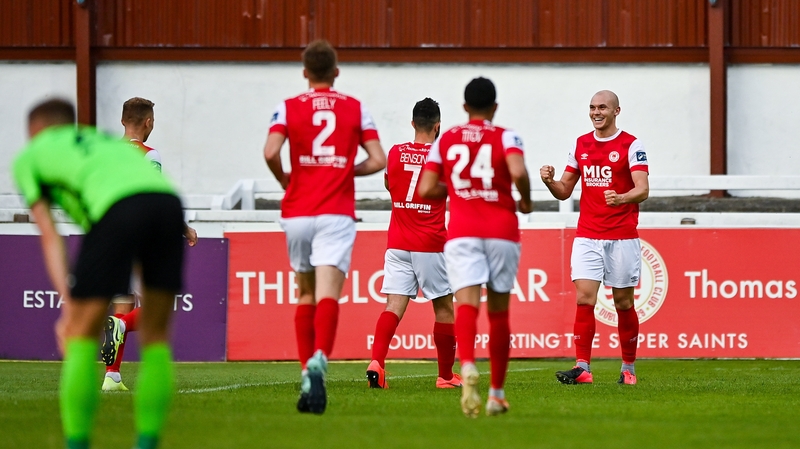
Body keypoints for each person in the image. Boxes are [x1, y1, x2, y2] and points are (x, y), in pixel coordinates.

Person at [12, 98, 184, 449]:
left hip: (116, 210)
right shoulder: (103, 142)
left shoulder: (29, 158)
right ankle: (147, 441)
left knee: (79, 333)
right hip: (167, 205)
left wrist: (69, 305)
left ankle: (77, 442)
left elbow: (50, 234)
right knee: (156, 335)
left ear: (34, 131)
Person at [263, 39, 386, 414]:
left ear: (304, 73)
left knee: (305, 292)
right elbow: (378, 159)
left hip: (298, 210)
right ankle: (320, 358)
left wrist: (286, 179)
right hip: (335, 211)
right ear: (336, 72)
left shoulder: (286, 108)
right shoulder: (355, 108)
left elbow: (270, 151)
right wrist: (347, 168)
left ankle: (305, 371)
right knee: (329, 293)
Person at [418, 77, 533, 417]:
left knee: (465, 303)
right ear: (494, 108)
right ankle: (497, 394)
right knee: (499, 311)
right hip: (501, 229)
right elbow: (517, 170)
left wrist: (456, 189)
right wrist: (524, 199)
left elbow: (426, 188)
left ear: (465, 107)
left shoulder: (448, 138)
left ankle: (466, 363)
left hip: (463, 231)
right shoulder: (507, 136)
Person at [539, 90, 649, 386]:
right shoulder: (581, 145)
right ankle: (583, 367)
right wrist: (549, 182)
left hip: (622, 236)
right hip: (588, 234)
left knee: (623, 303)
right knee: (585, 297)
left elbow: (643, 189)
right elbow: (564, 190)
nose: (596, 112)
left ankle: (628, 368)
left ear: (616, 111)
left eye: (602, 107)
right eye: (592, 107)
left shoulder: (631, 144)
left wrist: (622, 198)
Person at [100, 97, 198, 392]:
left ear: (121, 121)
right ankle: (122, 327)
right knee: (159, 308)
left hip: (109, 236)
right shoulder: (149, 154)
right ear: (148, 122)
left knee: (122, 304)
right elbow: (152, 195)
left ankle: (111, 377)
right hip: (140, 236)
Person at [366, 98, 461, 390]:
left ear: (412, 124)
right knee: (444, 308)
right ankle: (445, 376)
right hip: (430, 243)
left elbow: (388, 184)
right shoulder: (443, 157)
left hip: (398, 242)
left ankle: (376, 363)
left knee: (393, 305)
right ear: (437, 126)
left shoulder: (395, 153)